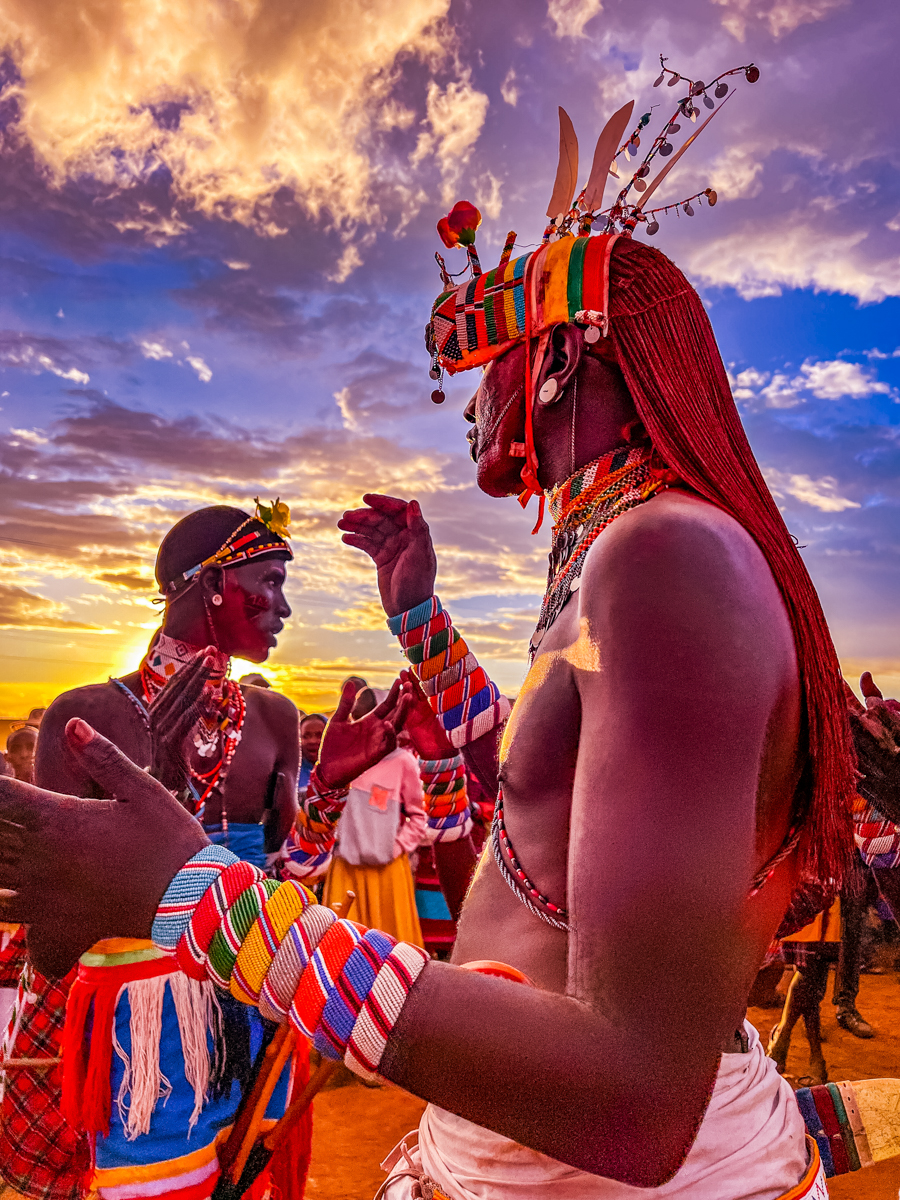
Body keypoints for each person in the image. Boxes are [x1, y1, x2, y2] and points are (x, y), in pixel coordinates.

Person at [0, 103, 864, 1200]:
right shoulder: (626, 556)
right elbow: (534, 801)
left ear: (555, 359)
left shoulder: (665, 557)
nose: (474, 404)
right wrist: (420, 617)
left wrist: (196, 900)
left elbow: (634, 1100)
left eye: (487, 363)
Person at [0, 503, 300, 1200]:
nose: (283, 606)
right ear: (214, 584)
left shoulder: (276, 718)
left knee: (257, 1175)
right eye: (271, 580)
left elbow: (283, 861)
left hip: (257, 993)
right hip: (144, 1039)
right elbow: (58, 923)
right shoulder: (86, 721)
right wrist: (163, 807)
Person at [318, 688, 425, 945]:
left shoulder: (403, 762)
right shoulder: (347, 759)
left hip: (387, 871)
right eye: (360, 716)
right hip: (345, 865)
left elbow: (418, 816)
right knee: (342, 945)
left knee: (390, 945)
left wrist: (396, 848)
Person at [298, 712, 327, 794]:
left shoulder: (343, 772)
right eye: (306, 736)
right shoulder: (291, 772)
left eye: (319, 735)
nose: (312, 741)